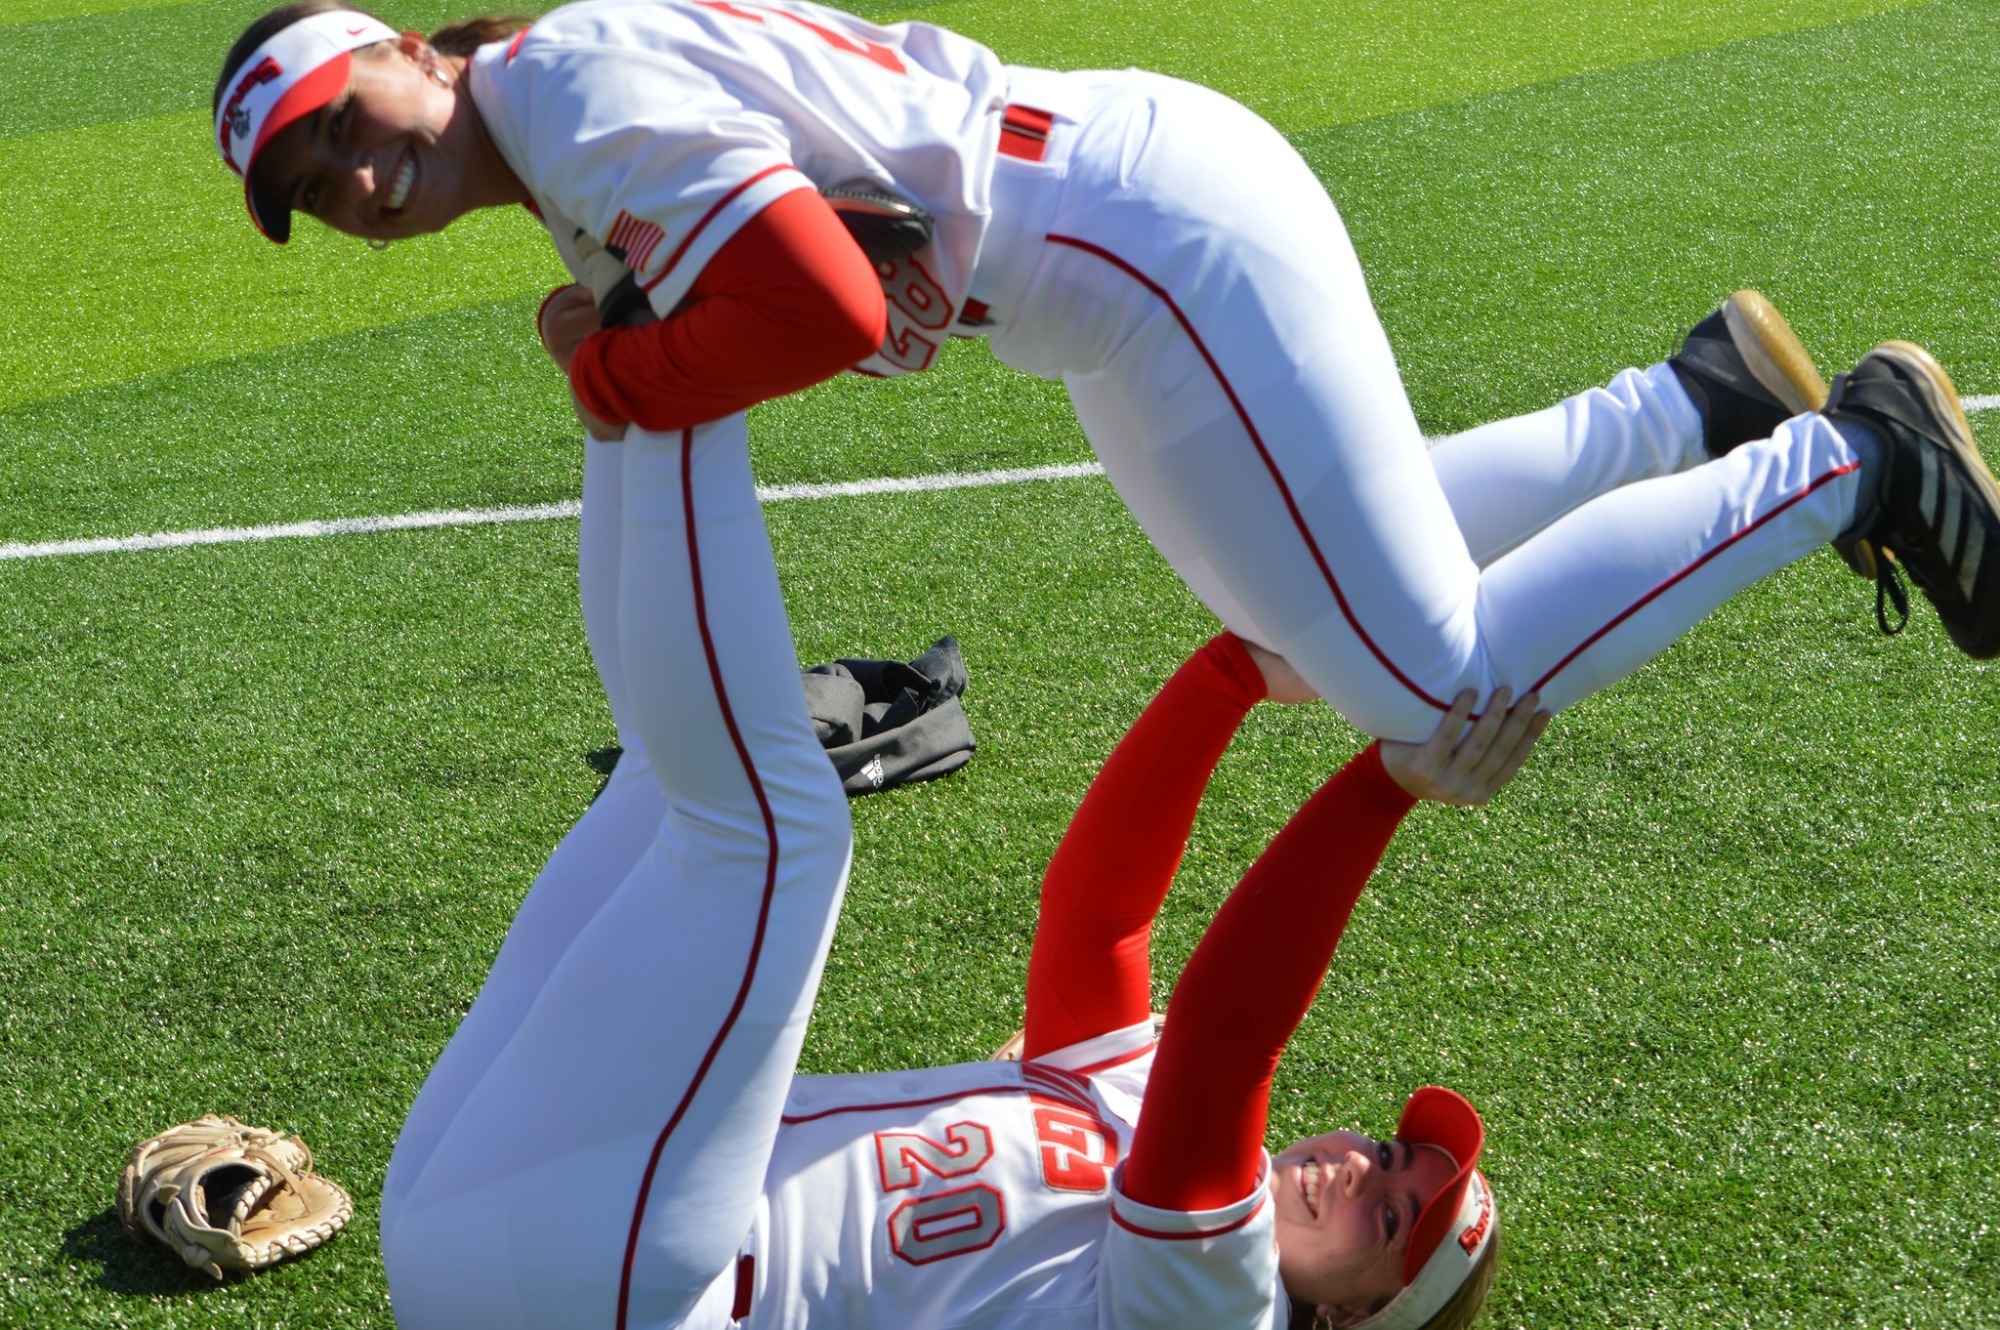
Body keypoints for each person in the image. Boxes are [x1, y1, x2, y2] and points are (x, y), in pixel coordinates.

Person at [213, 0, 2000, 752]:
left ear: (396, 54)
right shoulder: (546, 101)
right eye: (313, 195)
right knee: (1305, 649)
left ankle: (1857, 457)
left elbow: (822, 308)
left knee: (1419, 684)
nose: (355, 188)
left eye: (339, 133)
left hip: (1148, 249)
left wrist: (615, 378)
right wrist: (622, 331)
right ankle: (1701, 404)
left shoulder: (564, 97)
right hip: (1115, 262)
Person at [377, 623, 1545, 1330]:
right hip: (513, 1214)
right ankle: (630, 381)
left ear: (1340, 1316)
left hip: (628, 1295)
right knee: (672, 773)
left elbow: (1224, 1039)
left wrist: (1383, 787)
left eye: (1385, 1217)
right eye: (1385, 1156)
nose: (1353, 1171)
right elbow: (1094, 925)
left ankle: (683, 376)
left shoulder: (1220, 1307)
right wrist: (1226, 672)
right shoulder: (1151, 1145)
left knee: (783, 819)